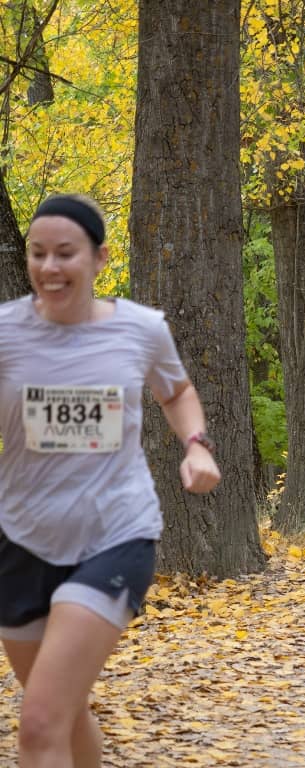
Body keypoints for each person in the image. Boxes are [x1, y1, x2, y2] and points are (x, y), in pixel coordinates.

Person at [0, 194, 222, 766]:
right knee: (64, 713)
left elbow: (177, 392)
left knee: (39, 724)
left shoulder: (141, 329)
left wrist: (196, 445)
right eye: (38, 253)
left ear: (99, 258)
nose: (50, 267)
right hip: (21, 538)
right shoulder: (5, 333)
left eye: (65, 253)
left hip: (115, 534)